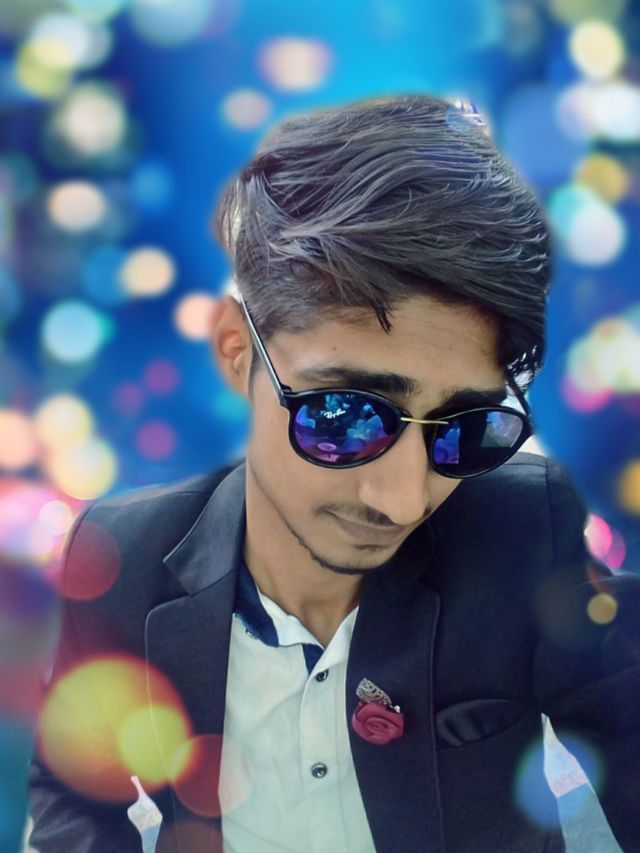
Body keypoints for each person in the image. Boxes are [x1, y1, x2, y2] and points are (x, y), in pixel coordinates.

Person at [28, 94, 639, 853]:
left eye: (465, 430)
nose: (403, 499)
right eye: (344, 416)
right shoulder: (121, 559)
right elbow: (75, 788)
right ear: (238, 351)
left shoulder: (523, 529)